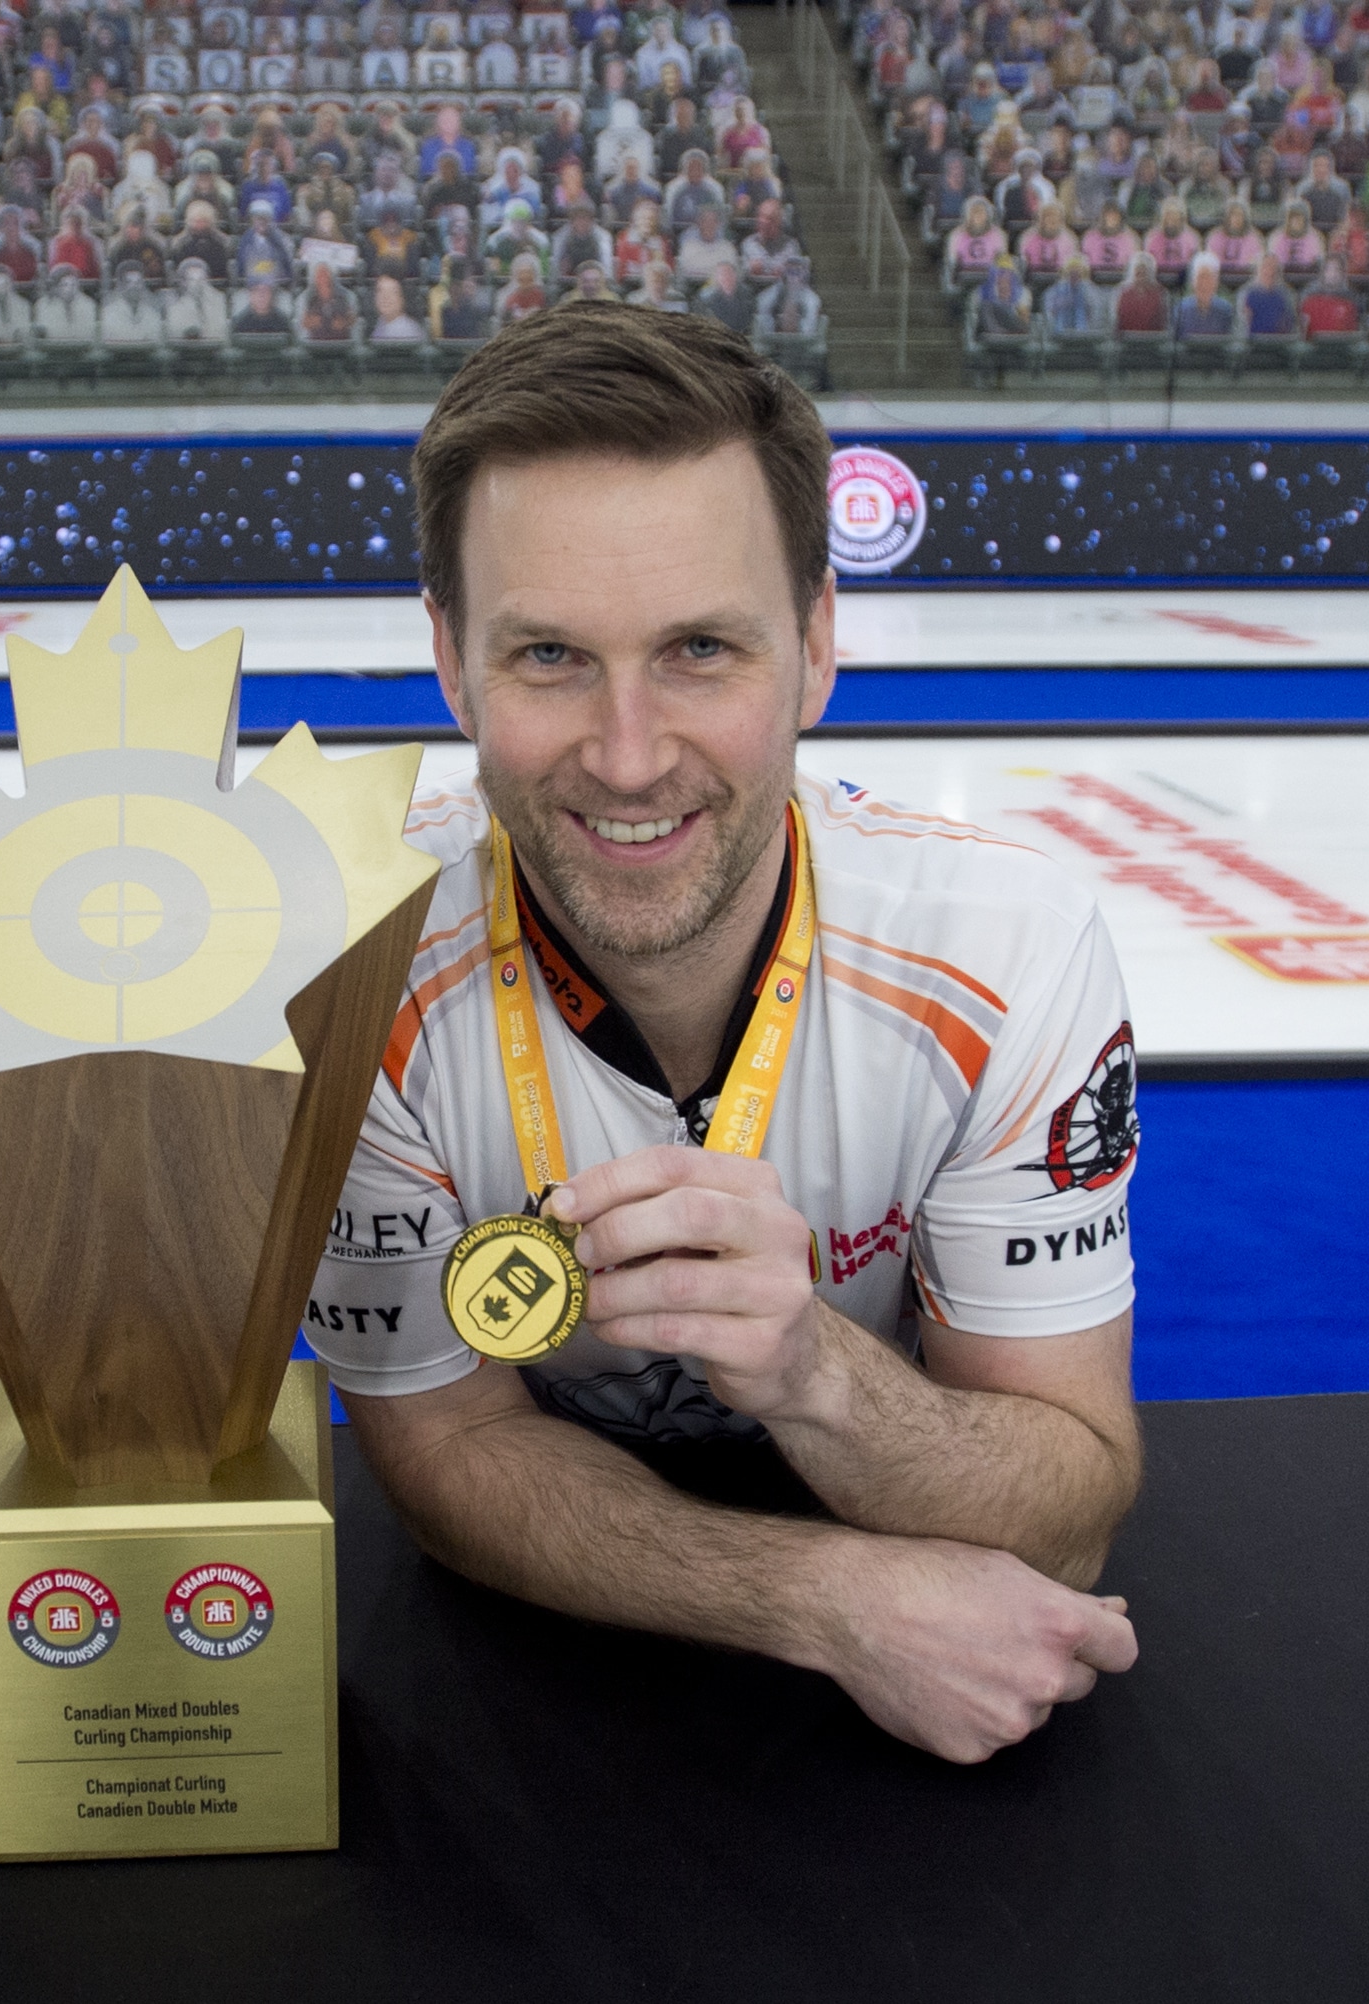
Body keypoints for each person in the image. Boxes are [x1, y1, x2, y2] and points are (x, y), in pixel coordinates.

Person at [303, 305, 1143, 1765]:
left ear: (817, 647)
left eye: (701, 648)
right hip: (529, 1695)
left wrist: (810, 1366)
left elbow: (1071, 1496)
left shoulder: (1008, 952)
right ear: (450, 663)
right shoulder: (347, 967)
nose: (629, 755)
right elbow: (445, 1459)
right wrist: (825, 1599)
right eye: (551, 656)